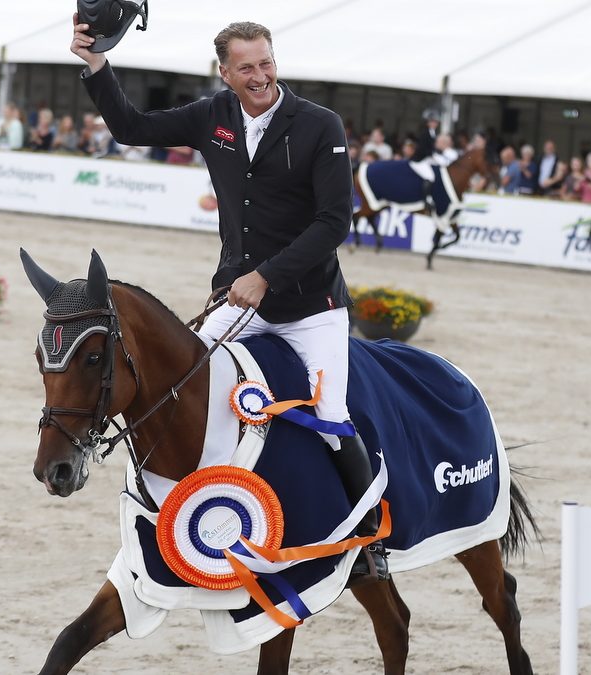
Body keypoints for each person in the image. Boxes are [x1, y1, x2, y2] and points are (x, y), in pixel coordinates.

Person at [73, 17, 389, 580]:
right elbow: (128, 126)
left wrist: (267, 276)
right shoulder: (212, 115)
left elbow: (333, 220)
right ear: (225, 72)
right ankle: (199, 514)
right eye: (247, 66)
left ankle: (368, 539)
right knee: (194, 395)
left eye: (266, 62)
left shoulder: (319, 125)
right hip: (236, 298)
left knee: (332, 412)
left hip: (310, 307)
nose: (261, 74)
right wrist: (96, 62)